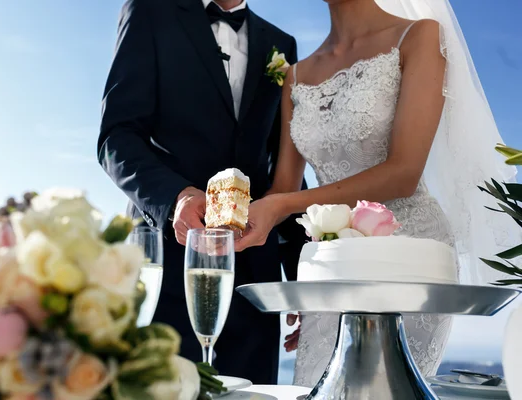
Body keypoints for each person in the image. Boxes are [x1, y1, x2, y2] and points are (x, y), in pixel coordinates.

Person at [232, 0, 517, 387]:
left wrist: (282, 203)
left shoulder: (420, 37)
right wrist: (235, 218)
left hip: (409, 257)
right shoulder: (296, 77)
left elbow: (404, 173)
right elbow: (283, 188)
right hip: (334, 264)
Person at [97, 0, 307, 384]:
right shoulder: (148, 12)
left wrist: (300, 278)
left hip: (253, 279)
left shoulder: (282, 43)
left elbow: (286, 169)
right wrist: (175, 197)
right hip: (166, 267)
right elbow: (117, 137)